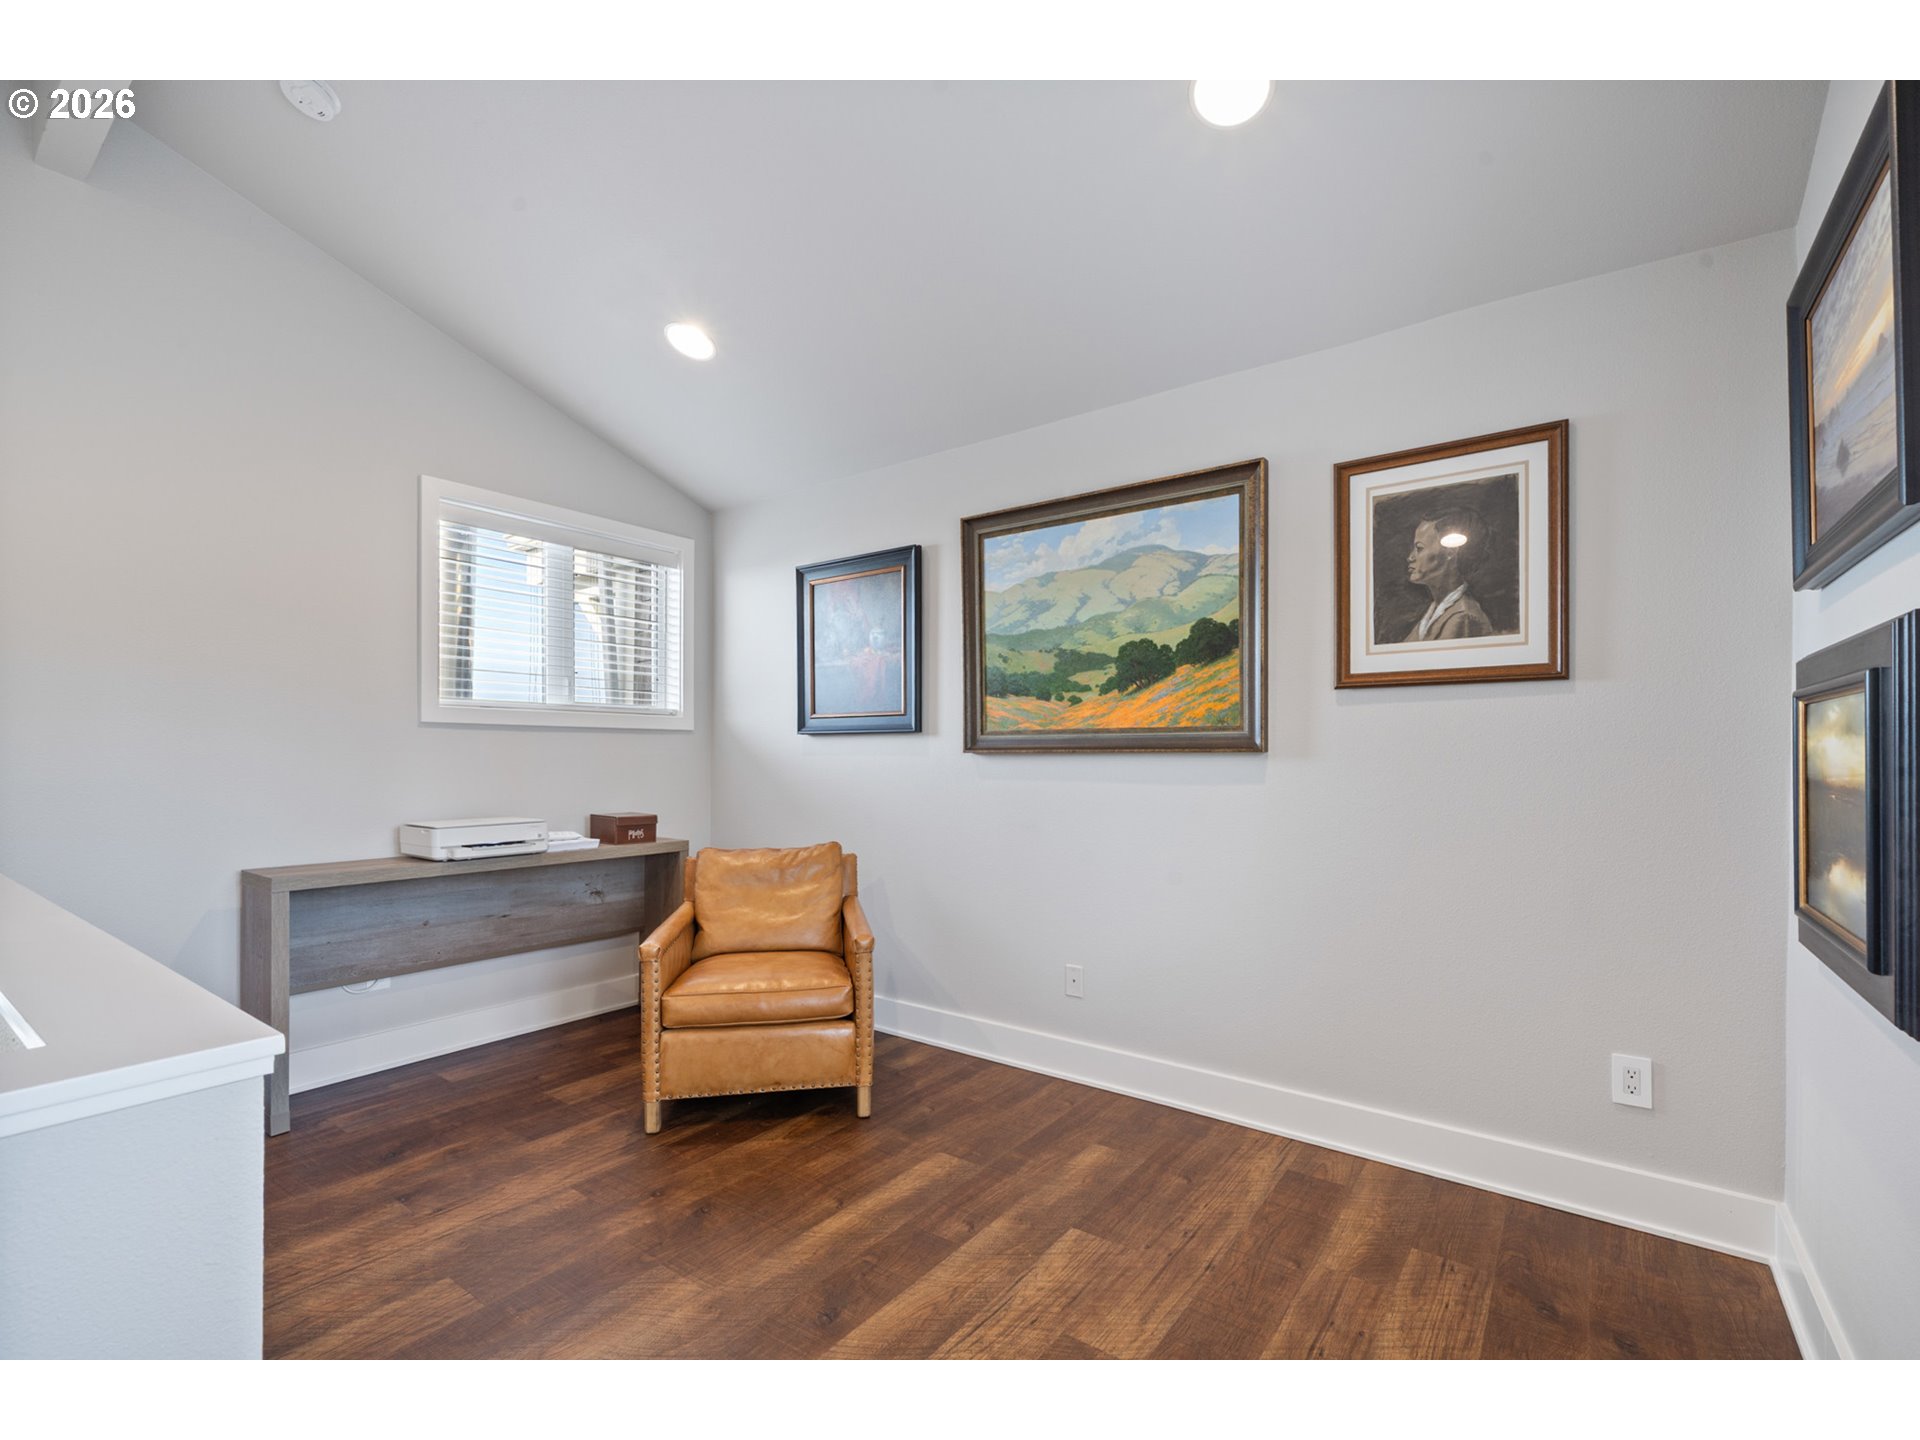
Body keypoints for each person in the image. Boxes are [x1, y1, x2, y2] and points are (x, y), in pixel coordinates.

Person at [1403, 506, 1494, 642]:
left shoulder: (1464, 618)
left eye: (1419, 548)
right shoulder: (1436, 612)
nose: (1410, 557)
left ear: (1451, 551)